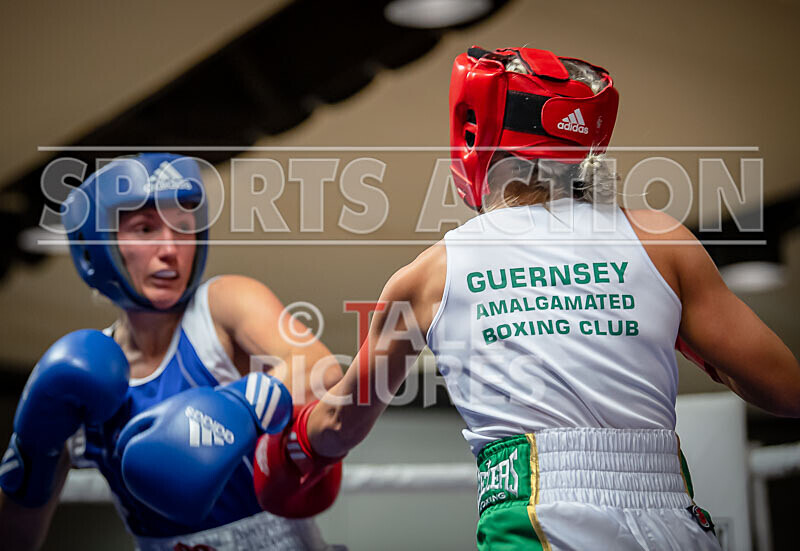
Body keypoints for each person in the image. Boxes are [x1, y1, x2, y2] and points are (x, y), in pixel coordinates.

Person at [253, 47, 800, 549]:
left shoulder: (430, 275)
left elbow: (342, 423)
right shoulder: (663, 241)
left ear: (474, 133)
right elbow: (785, 389)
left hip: (538, 513)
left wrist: (290, 448)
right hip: (673, 515)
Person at [0, 153, 342, 551]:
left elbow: (321, 368)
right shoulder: (77, 382)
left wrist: (241, 407)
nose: (170, 248)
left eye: (183, 228)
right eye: (145, 230)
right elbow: (15, 538)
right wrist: (30, 453)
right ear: (96, 248)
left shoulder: (221, 306)